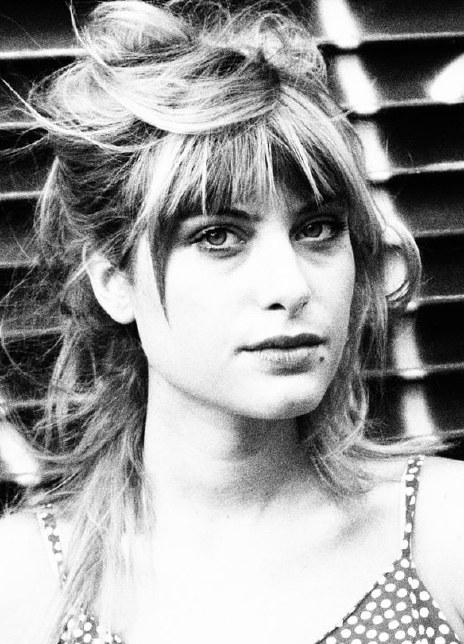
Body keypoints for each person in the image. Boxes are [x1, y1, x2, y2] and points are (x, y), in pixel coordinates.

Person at [0, 1, 463, 643]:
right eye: (218, 236)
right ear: (115, 282)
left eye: (317, 229)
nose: (290, 287)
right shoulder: (25, 584)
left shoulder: (444, 533)